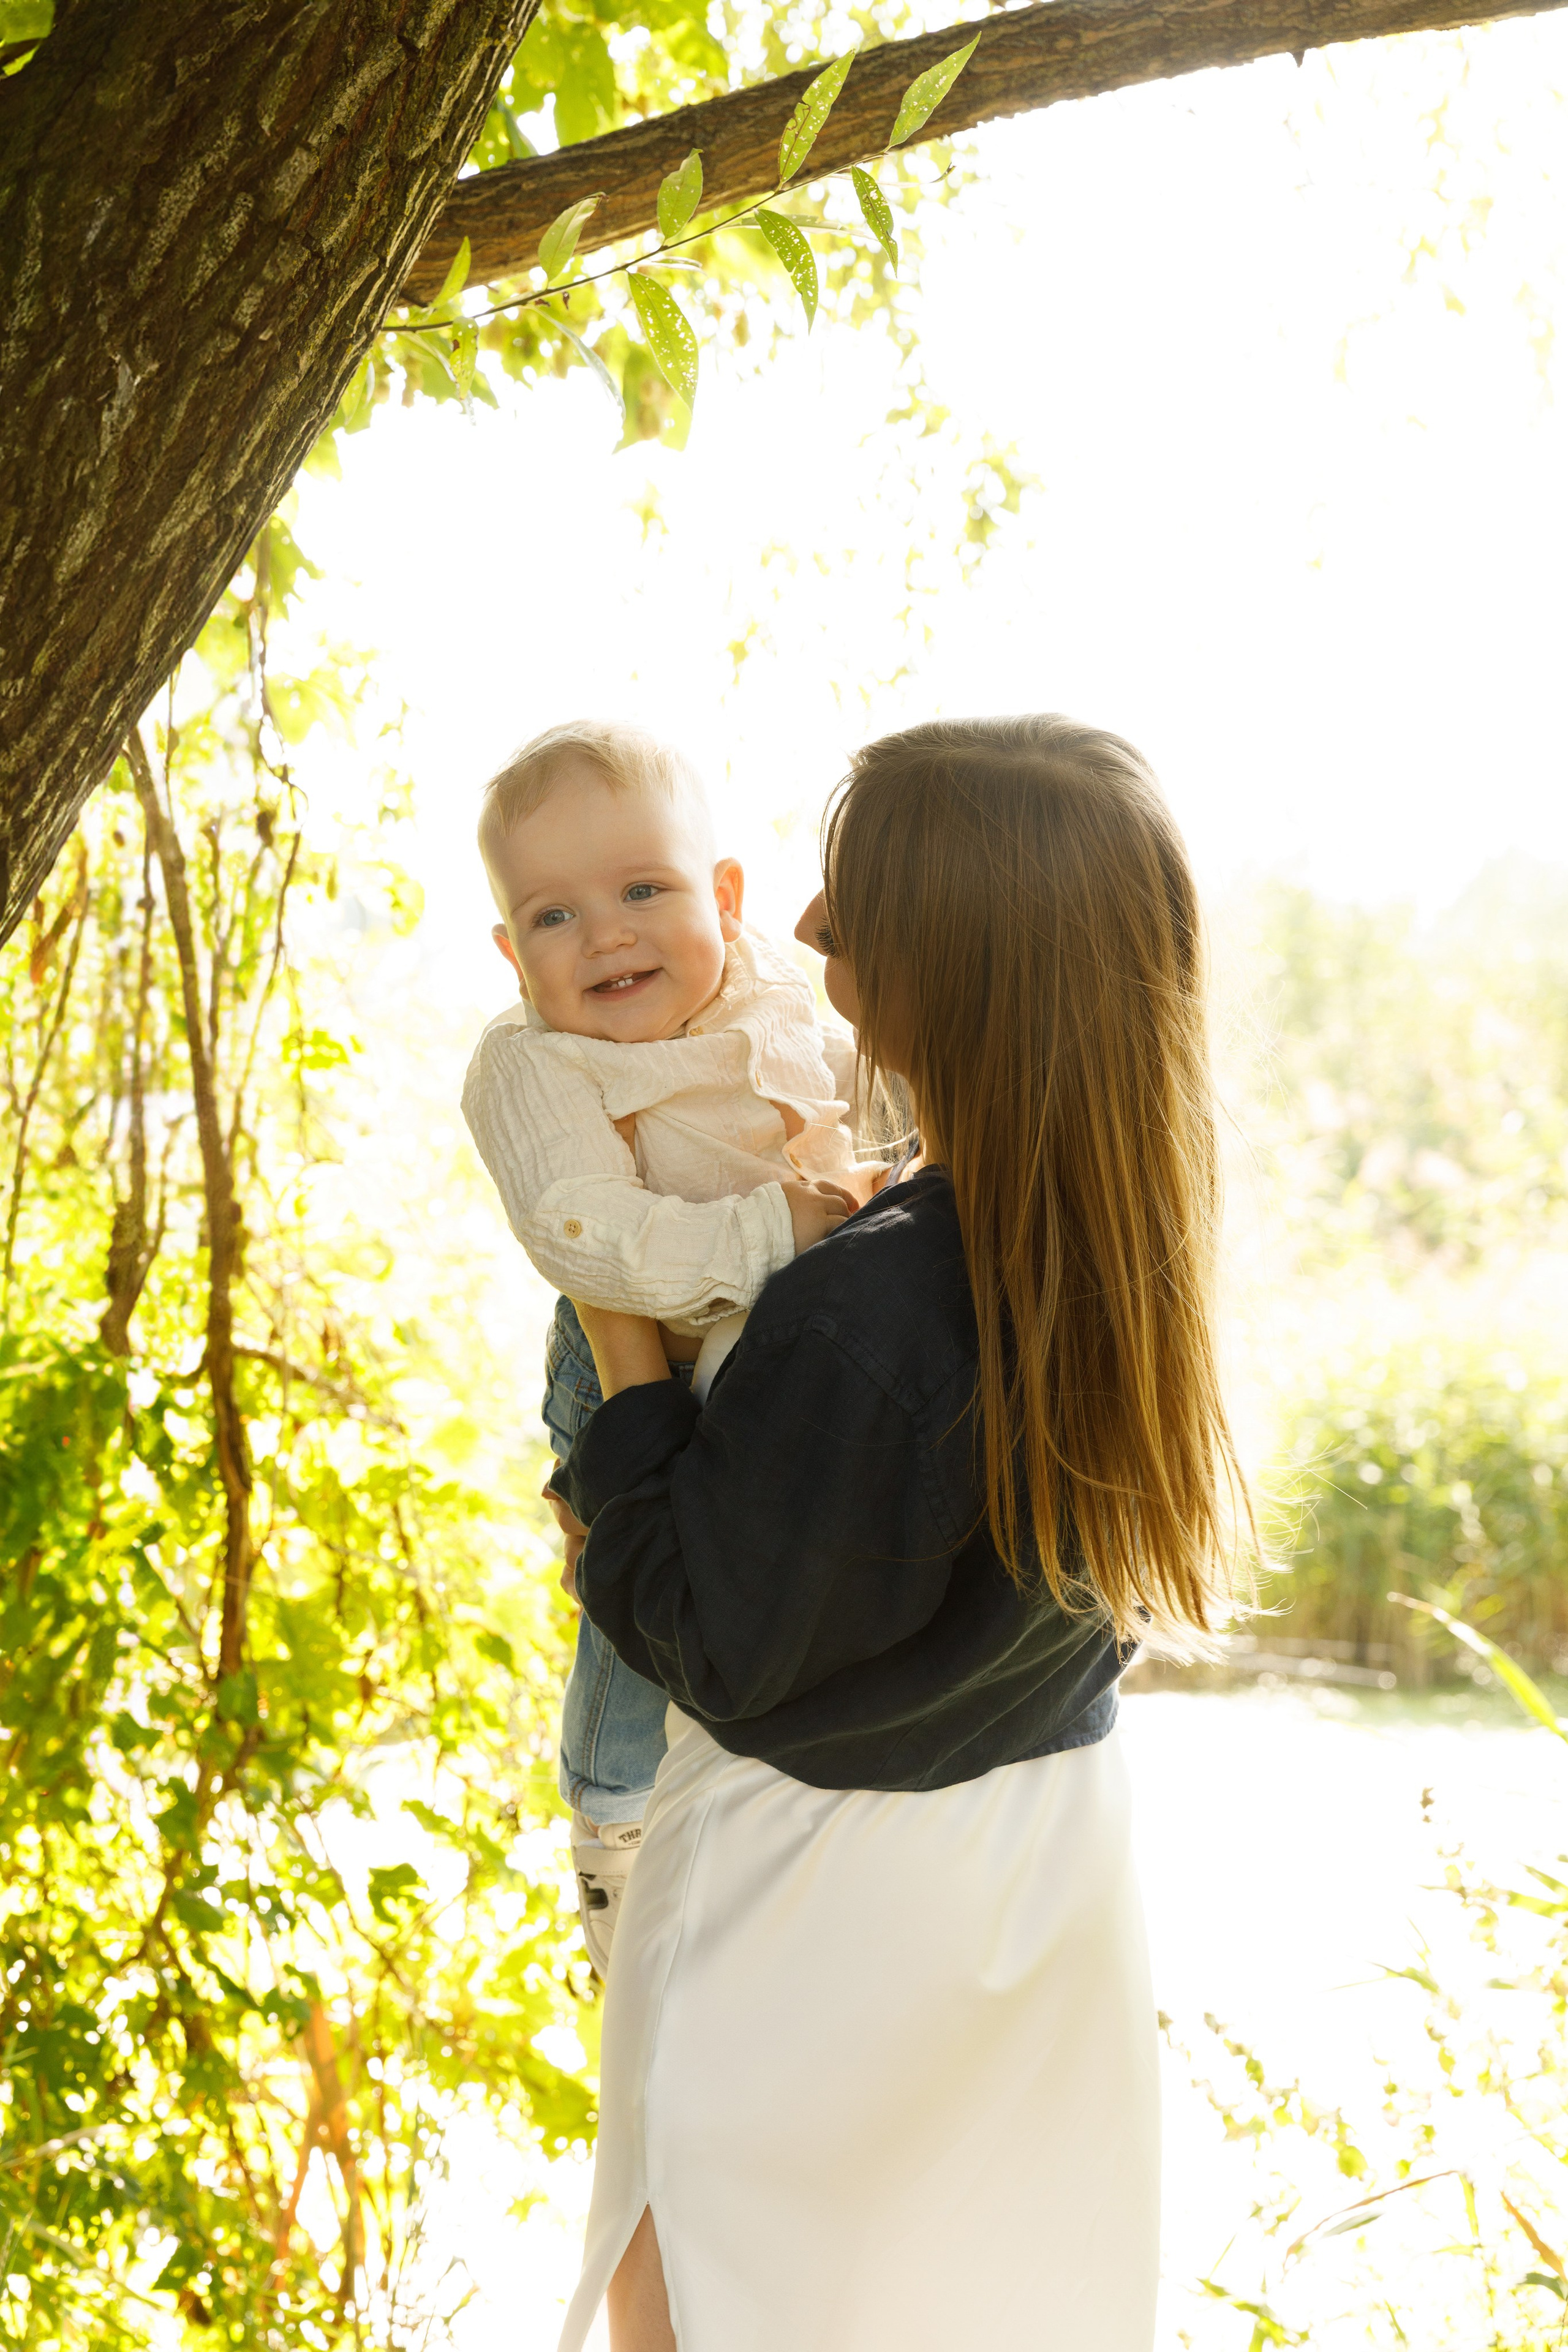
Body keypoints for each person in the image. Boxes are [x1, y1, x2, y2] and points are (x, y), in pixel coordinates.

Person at [546, 715, 1250, 2352]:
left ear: (959, 958)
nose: (805, 928)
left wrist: (618, 1335)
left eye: (853, 899)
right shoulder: (1125, 1248)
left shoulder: (866, 1313)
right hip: (1039, 1877)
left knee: (703, 2304)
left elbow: (702, 1629)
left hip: (814, 1904)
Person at [461, 720, 871, 1969]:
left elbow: (860, 1095)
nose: (606, 935)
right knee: (634, 1598)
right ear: (510, 952)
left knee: (758, 1587)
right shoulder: (535, 1064)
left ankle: (766, 1822)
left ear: (726, 898)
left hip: (768, 1347)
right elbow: (584, 1234)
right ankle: (612, 1815)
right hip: (637, 1355)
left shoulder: (775, 995)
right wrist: (775, 1228)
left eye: (643, 890)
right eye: (554, 915)